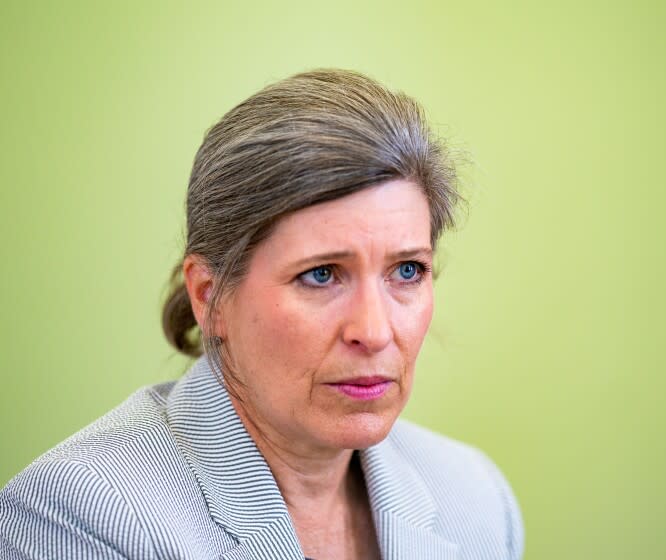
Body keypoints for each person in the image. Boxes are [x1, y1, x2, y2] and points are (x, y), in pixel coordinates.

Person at [0, 69, 524, 560]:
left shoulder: (476, 499)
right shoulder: (78, 515)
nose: (374, 330)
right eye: (321, 274)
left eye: (407, 270)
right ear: (210, 296)